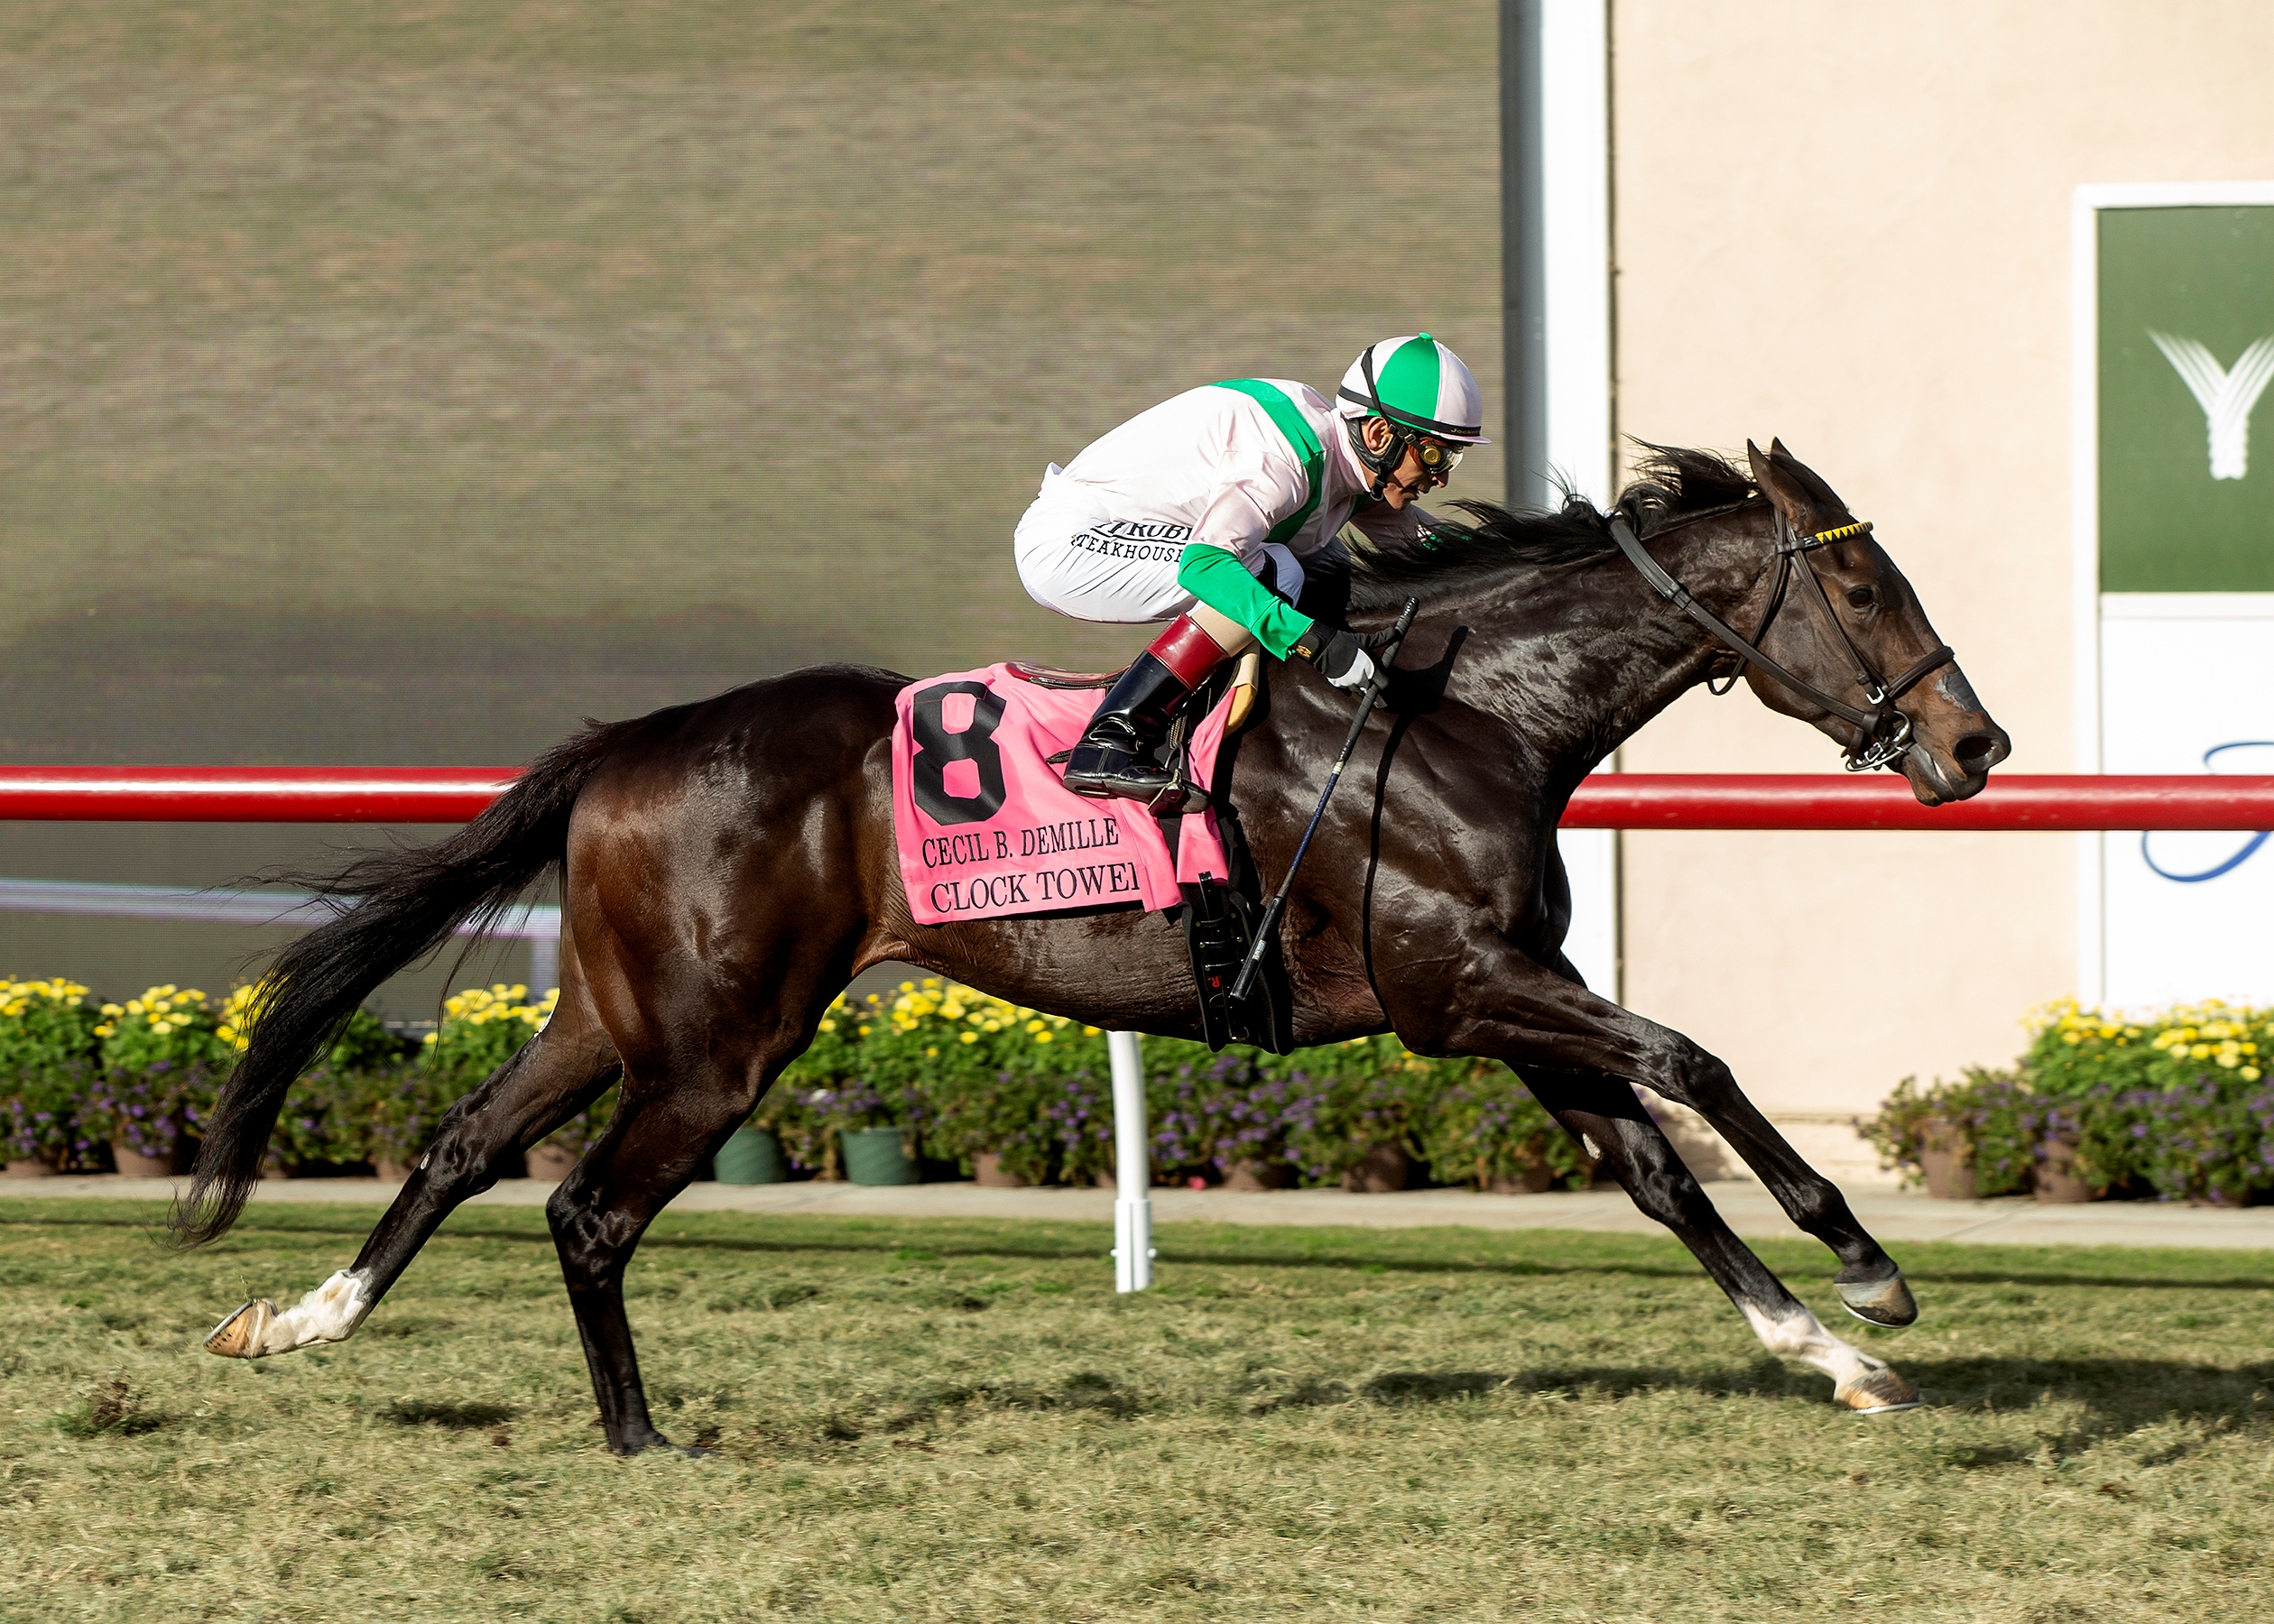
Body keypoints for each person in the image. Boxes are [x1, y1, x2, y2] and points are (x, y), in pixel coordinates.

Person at [1014, 334, 1488, 812]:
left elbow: (1428, 549)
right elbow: (1205, 564)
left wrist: (1539, 551)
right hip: (1068, 540)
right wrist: (1315, 643)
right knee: (1277, 569)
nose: (1443, 477)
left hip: (1139, 534)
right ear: (1380, 436)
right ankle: (1112, 738)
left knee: (1329, 565)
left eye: (1455, 456)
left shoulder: (1352, 469)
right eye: (1435, 455)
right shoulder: (1287, 460)